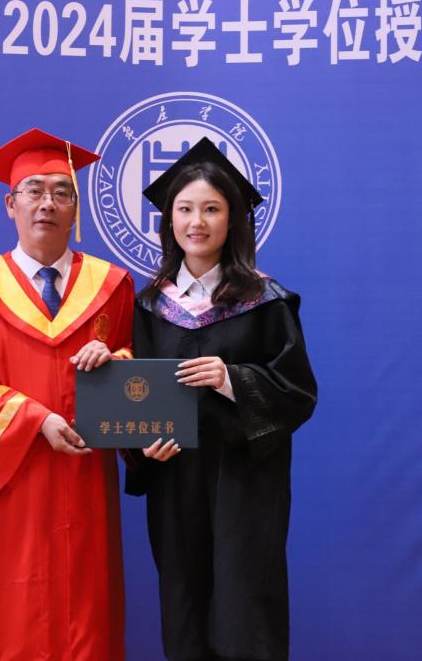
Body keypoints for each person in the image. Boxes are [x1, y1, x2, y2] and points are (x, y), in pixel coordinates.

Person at [0, 128, 134, 661]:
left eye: (62, 192)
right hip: (14, 480)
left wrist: (117, 363)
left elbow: (139, 367)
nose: (48, 203)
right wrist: (35, 419)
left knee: (88, 608)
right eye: (34, 191)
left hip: (85, 477)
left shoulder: (112, 286)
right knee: (14, 612)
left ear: (76, 209)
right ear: (11, 205)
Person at [127, 137, 318, 661]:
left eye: (211, 209)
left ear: (232, 219)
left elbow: (298, 392)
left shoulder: (265, 300)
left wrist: (231, 378)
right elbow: (134, 393)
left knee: (244, 610)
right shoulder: (149, 306)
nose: (197, 221)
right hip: (176, 479)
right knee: (184, 607)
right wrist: (142, 447)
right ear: (169, 219)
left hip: (245, 482)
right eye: (185, 209)